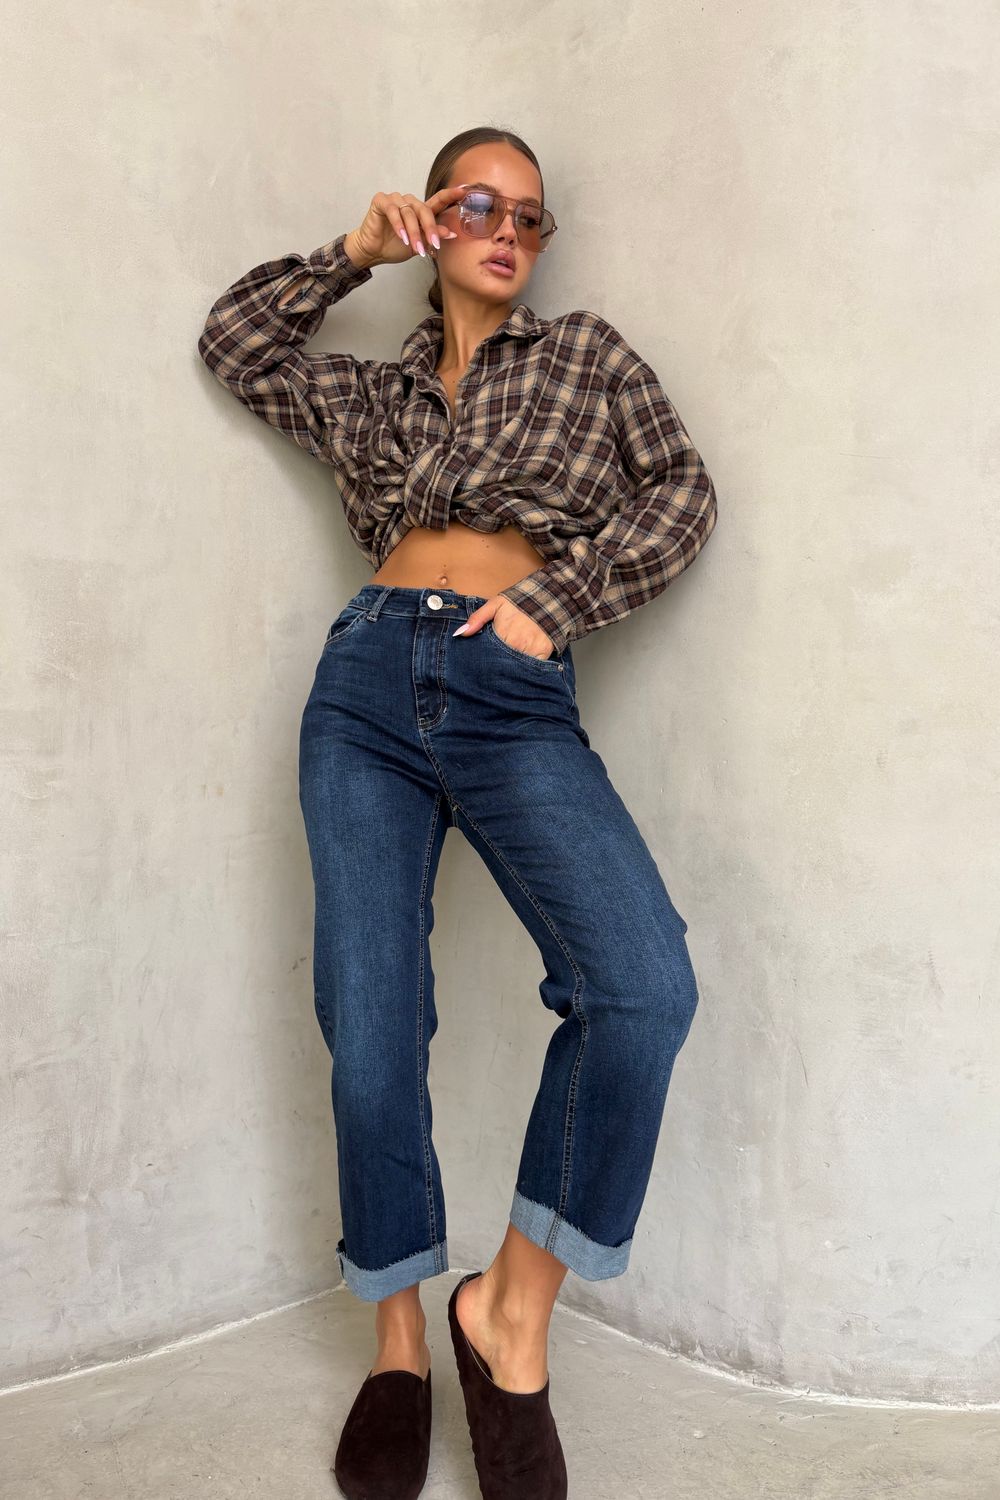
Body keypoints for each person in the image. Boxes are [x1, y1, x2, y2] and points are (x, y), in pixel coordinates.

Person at [198, 125, 718, 1500]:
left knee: (641, 987)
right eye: (478, 205)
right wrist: (349, 254)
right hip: (364, 685)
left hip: (508, 681)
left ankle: (508, 1314)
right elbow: (236, 344)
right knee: (371, 1019)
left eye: (530, 216)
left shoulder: (587, 357)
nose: (508, 231)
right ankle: (399, 1347)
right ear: (434, 219)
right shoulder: (369, 394)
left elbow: (683, 491)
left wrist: (553, 606)